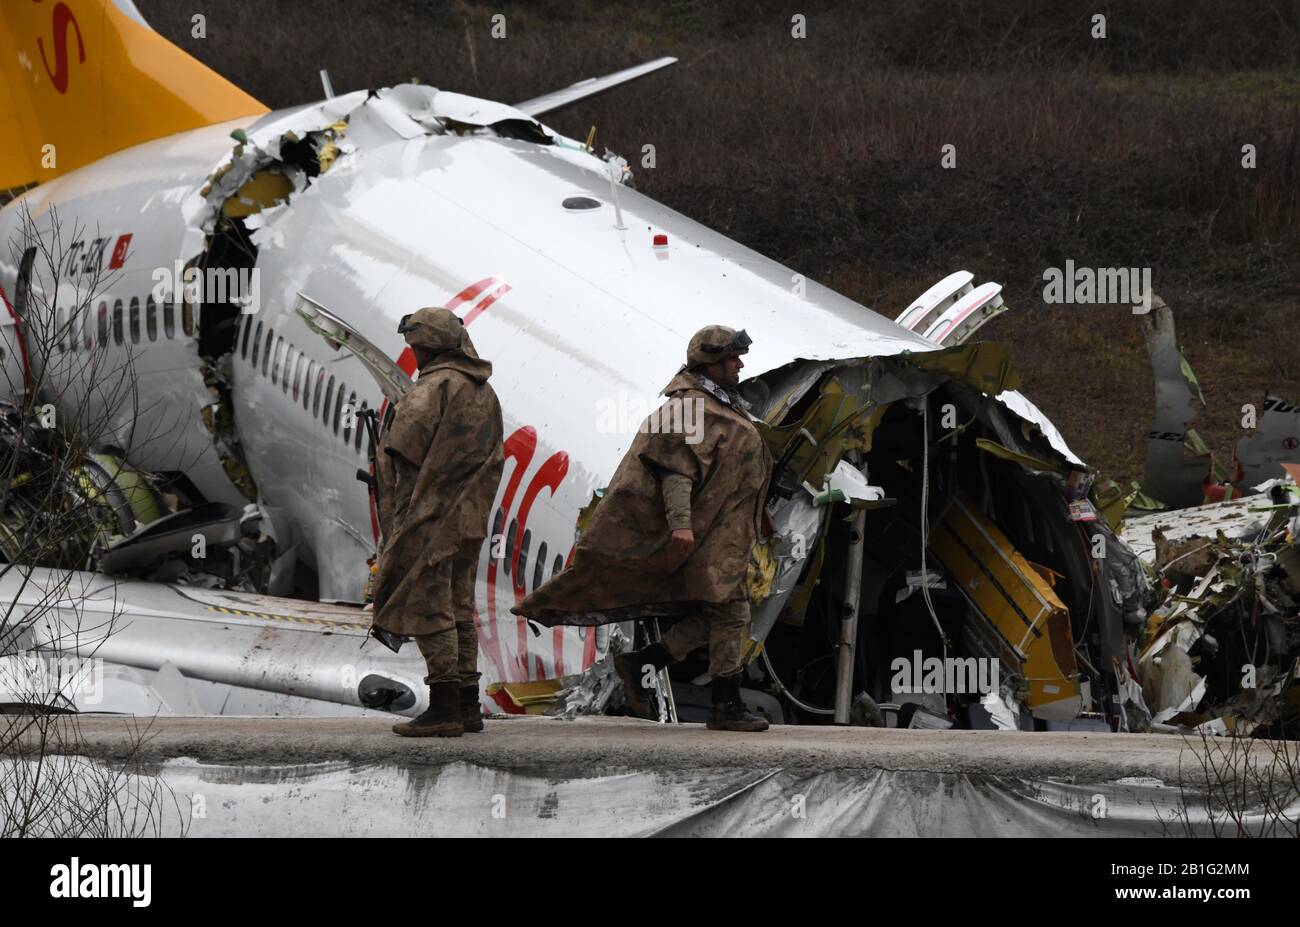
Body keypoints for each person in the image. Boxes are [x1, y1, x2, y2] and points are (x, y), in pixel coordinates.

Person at [513, 325, 772, 732]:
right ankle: (725, 705)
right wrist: (681, 527)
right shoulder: (689, 410)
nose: (740, 365)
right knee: (731, 612)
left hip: (723, 535)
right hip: (703, 536)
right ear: (711, 363)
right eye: (732, 359)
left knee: (721, 612)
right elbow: (675, 474)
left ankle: (644, 663)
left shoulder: (720, 404)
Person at [371, 307, 504, 737]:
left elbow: (401, 457)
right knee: (459, 606)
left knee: (427, 606)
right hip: (468, 518)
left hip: (429, 518)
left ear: (422, 347)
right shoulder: (483, 392)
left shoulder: (430, 392)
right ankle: (468, 704)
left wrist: (398, 527)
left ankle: (444, 703)